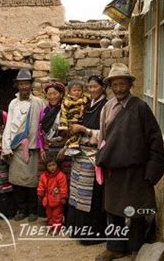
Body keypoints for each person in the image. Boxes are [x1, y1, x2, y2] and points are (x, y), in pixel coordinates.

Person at [95, 63, 164, 261]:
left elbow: (154, 138)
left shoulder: (141, 108)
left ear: (129, 84)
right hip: (114, 169)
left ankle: (137, 248)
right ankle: (116, 247)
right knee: (113, 210)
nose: (119, 88)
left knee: (136, 211)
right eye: (115, 85)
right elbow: (103, 139)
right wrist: (100, 160)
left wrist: (151, 172)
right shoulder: (107, 108)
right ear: (110, 86)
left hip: (136, 169)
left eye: (123, 84)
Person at [65, 74, 108, 244]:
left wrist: (84, 130)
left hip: (93, 156)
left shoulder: (106, 106)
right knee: (77, 193)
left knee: (90, 195)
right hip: (80, 154)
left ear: (103, 87)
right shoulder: (87, 104)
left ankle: (92, 234)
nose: (92, 90)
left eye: (95, 86)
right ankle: (77, 230)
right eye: (89, 87)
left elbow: (106, 134)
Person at [2, 69, 45, 222]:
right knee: (17, 181)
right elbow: (9, 125)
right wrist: (6, 146)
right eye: (21, 84)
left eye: (27, 84)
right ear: (17, 85)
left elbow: (42, 125)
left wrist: (42, 145)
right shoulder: (13, 103)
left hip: (32, 148)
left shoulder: (38, 103)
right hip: (16, 147)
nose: (24, 87)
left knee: (32, 182)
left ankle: (33, 211)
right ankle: (21, 210)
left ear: (31, 85)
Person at [37, 157, 68, 231]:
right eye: (49, 166)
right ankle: (51, 226)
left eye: (53, 165)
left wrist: (63, 197)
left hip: (57, 200)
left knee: (57, 215)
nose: (52, 167)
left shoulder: (60, 175)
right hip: (47, 201)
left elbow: (63, 187)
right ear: (46, 167)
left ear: (57, 165)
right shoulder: (43, 176)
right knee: (49, 215)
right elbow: (41, 186)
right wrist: (40, 194)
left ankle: (56, 228)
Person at [58, 80, 89, 152]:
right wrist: (64, 125)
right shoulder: (67, 101)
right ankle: (71, 146)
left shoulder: (85, 99)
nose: (77, 92)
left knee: (80, 135)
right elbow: (63, 113)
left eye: (79, 90)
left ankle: (74, 146)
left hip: (82, 121)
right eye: (74, 90)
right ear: (69, 91)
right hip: (71, 121)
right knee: (73, 135)